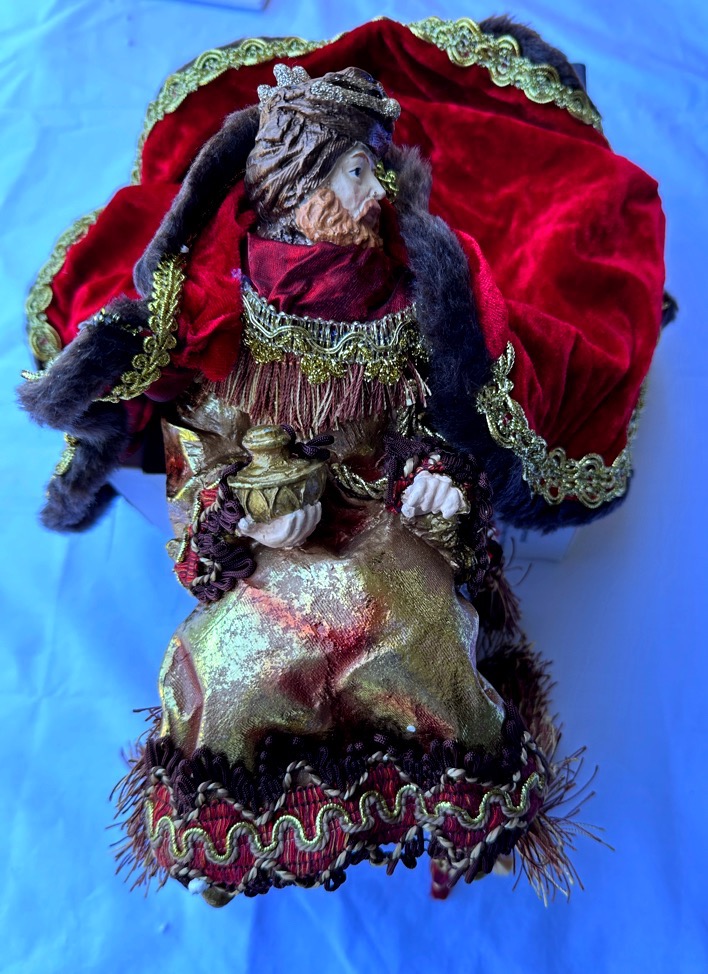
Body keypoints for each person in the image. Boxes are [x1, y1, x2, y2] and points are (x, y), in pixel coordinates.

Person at [20, 17, 669, 904]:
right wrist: (244, 514)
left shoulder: (404, 300)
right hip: (275, 550)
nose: (374, 194)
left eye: (374, 172)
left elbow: (432, 419)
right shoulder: (235, 315)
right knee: (231, 659)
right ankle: (229, 830)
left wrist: (436, 488)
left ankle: (464, 812)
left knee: (421, 625)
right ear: (299, 186)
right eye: (355, 174)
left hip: (387, 528)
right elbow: (203, 445)